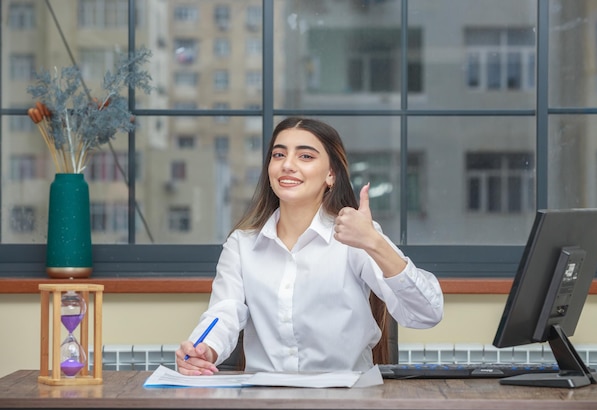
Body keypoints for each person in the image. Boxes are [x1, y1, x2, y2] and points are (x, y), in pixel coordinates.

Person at [176, 117, 443, 375]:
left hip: (346, 400)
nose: (287, 165)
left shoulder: (356, 237)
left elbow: (427, 314)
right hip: (267, 400)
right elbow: (225, 312)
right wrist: (203, 351)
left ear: (331, 175)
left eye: (305, 156)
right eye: (279, 155)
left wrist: (374, 242)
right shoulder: (241, 245)